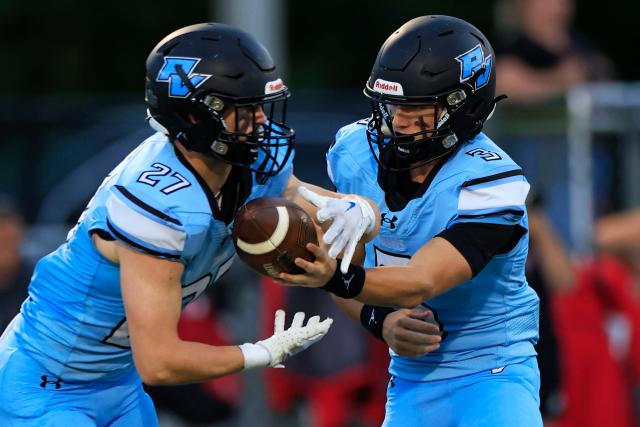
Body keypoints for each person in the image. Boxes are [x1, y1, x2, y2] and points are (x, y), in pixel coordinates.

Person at [0, 23, 381, 426]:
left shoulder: (247, 163)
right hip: (44, 386)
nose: (259, 121)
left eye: (259, 106)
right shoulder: (158, 202)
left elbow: (333, 214)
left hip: (118, 383)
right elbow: (160, 363)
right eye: (242, 109)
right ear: (193, 115)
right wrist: (263, 352)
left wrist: (362, 213)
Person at [280, 16, 542, 426]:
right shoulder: (356, 152)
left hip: (492, 375)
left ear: (463, 106)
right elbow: (350, 266)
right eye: (392, 106)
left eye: (417, 108)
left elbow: (422, 280)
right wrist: (378, 319)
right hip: (411, 378)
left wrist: (331, 276)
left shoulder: (491, 182)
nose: (398, 121)